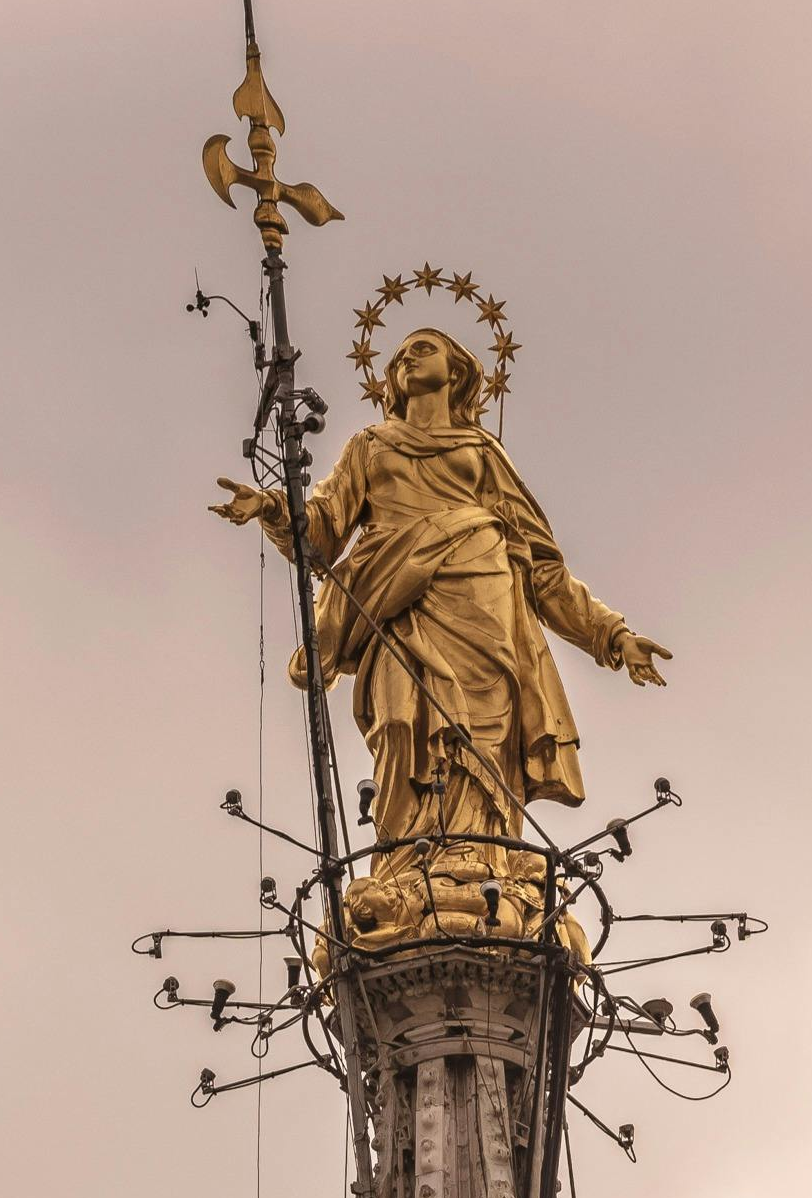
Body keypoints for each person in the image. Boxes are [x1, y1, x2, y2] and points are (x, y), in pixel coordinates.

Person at [209, 327, 670, 878]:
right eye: (400, 354)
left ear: (457, 370)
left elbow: (544, 569)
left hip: (485, 604)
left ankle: (485, 858)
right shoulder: (370, 446)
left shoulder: (481, 452)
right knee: (401, 723)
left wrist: (612, 634)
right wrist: (272, 507)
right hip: (394, 603)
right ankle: (407, 864)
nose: (406, 358)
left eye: (422, 348)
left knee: (482, 739)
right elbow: (323, 531)